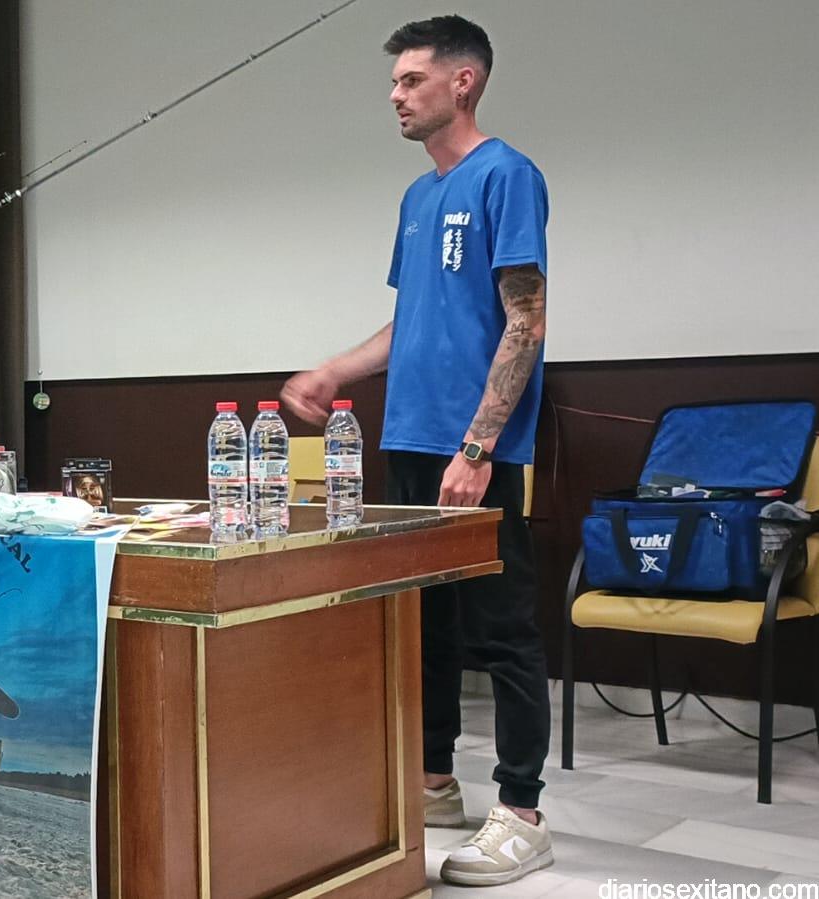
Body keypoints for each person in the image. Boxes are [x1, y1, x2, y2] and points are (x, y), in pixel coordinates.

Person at [279, 16, 552, 887]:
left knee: (501, 628)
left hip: (471, 449)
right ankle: (433, 780)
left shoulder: (506, 175)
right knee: (422, 622)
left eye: (410, 80)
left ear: (462, 82)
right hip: (406, 438)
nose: (394, 95)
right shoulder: (417, 196)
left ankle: (521, 812)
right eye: (394, 81)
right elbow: (409, 324)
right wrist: (332, 370)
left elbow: (524, 321)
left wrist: (479, 444)